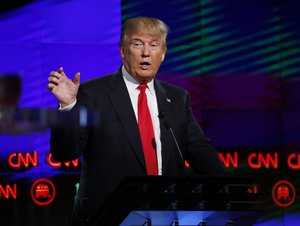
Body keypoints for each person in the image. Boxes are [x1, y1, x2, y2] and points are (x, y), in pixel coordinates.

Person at [47, 16, 224, 226]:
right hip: (109, 217)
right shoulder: (92, 93)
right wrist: (68, 107)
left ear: (163, 54)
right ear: (123, 51)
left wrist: (228, 189)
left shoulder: (177, 98)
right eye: (137, 44)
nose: (146, 52)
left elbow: (201, 153)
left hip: (166, 217)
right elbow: (64, 153)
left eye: (154, 45)